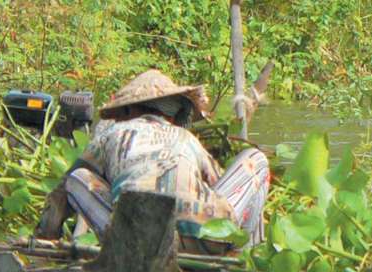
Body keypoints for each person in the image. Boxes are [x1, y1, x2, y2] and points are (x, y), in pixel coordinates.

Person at [35, 69, 269, 255]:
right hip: (208, 241)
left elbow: (61, 195)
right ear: (172, 114)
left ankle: (46, 242)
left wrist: (44, 239)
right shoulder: (187, 139)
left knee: (76, 178)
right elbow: (219, 187)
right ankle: (243, 256)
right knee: (256, 160)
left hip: (137, 244)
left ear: (129, 110)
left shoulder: (110, 135)